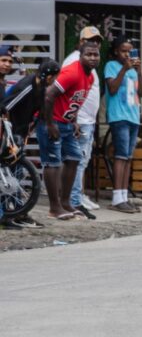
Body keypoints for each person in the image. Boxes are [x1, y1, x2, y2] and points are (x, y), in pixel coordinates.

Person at [38, 44, 100, 220]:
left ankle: (65, 203)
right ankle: (54, 207)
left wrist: (73, 120)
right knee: (53, 163)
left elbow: (73, 99)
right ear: (80, 56)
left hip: (66, 123)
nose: (93, 58)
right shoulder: (72, 72)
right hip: (51, 122)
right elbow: (49, 95)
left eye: (96, 55)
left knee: (74, 158)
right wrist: (50, 124)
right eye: (88, 54)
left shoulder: (90, 78)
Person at [0, 59, 61, 228]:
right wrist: (9, 135)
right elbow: (6, 108)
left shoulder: (41, 86)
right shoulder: (27, 86)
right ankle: (7, 215)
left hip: (21, 131)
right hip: (10, 132)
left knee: (16, 175)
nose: (55, 80)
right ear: (48, 76)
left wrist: (36, 124)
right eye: (55, 77)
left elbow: (41, 108)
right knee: (8, 173)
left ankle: (19, 213)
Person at [63, 26, 103, 217]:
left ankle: (76, 196)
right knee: (76, 161)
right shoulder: (73, 61)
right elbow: (65, 92)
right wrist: (74, 119)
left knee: (81, 161)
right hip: (79, 120)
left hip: (87, 119)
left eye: (97, 41)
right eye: (89, 40)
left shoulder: (90, 63)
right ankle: (74, 200)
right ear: (80, 43)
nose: (94, 44)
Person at [104, 36, 142, 213]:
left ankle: (124, 195)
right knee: (120, 156)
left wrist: (139, 72)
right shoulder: (111, 66)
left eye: (130, 51)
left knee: (128, 157)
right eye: (123, 51)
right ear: (116, 51)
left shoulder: (133, 70)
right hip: (118, 116)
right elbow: (112, 88)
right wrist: (124, 69)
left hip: (133, 116)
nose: (127, 54)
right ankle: (116, 198)